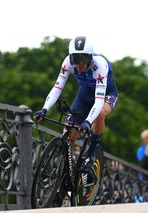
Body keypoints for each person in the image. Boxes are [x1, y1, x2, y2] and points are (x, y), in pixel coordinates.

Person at [34, 36, 119, 183]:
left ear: (90, 57)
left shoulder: (99, 65)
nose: (79, 65)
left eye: (82, 60)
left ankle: (91, 154)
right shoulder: (68, 62)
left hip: (105, 95)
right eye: (75, 59)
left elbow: (99, 100)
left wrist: (87, 121)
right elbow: (57, 87)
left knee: (99, 115)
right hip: (84, 95)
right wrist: (44, 109)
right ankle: (67, 170)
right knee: (69, 131)